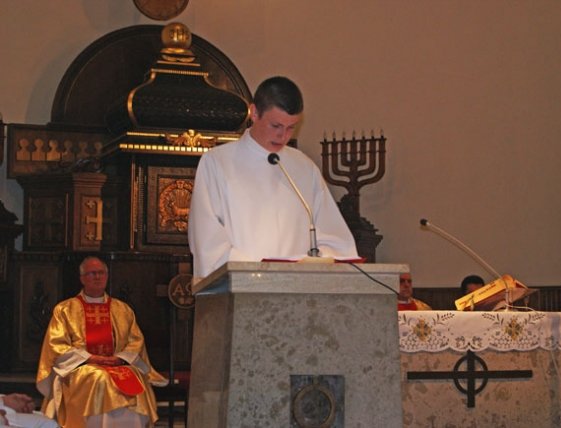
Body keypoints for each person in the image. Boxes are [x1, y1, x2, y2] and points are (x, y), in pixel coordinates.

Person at [188, 76, 359, 280]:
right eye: (276, 126)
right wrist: (259, 274)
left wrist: (313, 265)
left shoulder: (304, 168)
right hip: (243, 286)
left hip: (296, 288)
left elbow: (334, 240)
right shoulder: (217, 163)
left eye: (291, 127)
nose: (283, 136)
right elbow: (208, 241)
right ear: (254, 113)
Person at [36, 257, 167, 428]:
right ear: (82, 278)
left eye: (101, 273)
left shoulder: (122, 309)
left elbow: (136, 342)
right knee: (99, 377)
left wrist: (119, 358)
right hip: (81, 366)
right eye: (92, 273)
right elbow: (56, 345)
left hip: (117, 363)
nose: (97, 277)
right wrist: (90, 358)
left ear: (107, 276)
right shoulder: (65, 309)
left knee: (134, 377)